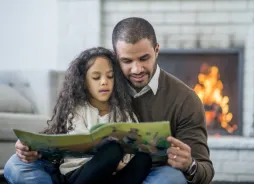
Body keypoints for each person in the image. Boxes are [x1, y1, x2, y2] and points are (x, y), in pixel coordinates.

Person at [4, 47, 152, 184]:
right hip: (79, 174)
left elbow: (133, 149)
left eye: (110, 76)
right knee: (112, 149)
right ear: (84, 82)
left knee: (144, 159)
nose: (104, 82)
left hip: (112, 175)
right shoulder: (77, 110)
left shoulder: (124, 113)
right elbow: (75, 148)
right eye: (96, 77)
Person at [111, 17, 214, 184]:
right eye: (127, 61)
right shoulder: (102, 88)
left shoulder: (185, 99)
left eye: (144, 58)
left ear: (156, 50)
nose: (137, 69)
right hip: (111, 172)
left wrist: (190, 165)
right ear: (116, 57)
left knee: (171, 179)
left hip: (157, 175)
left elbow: (205, 171)